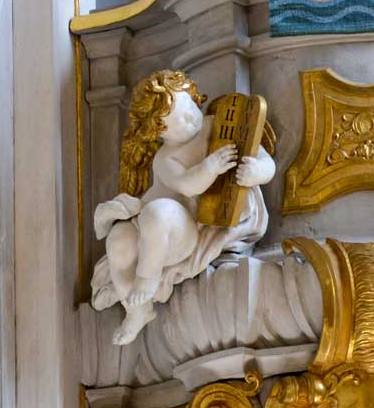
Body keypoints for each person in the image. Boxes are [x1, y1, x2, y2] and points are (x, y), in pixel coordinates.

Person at [91, 70, 275, 345]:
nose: (190, 119)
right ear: (159, 132)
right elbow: (188, 186)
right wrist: (210, 166)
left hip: (187, 233)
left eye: (189, 108)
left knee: (158, 213)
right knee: (118, 239)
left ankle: (146, 278)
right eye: (178, 123)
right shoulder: (165, 159)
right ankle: (137, 311)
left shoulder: (222, 125)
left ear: (193, 95)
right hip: (164, 230)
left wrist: (257, 171)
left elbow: (266, 161)